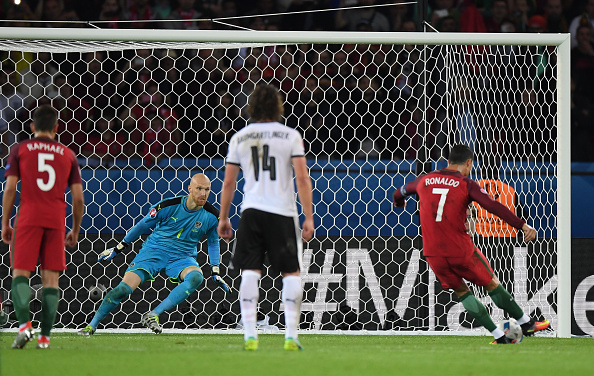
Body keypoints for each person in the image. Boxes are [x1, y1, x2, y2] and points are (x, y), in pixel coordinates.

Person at [392, 144, 550, 344]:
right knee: (491, 283)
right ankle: (526, 323)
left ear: (448, 162)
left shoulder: (424, 180)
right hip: (460, 249)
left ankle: (498, 335)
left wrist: (399, 203)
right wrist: (522, 225)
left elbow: (399, 192)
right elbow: (492, 206)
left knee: (462, 292)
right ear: (468, 163)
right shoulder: (465, 183)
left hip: (433, 253)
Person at [217, 84, 314, 351]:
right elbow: (302, 179)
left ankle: (250, 334)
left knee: (250, 271)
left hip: (252, 211)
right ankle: (291, 336)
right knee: (291, 272)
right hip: (282, 212)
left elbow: (228, 182)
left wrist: (223, 217)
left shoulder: (240, 137)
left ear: (252, 107)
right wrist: (308, 216)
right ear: (277, 107)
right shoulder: (290, 136)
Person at [77, 173, 231, 335]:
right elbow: (142, 226)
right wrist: (118, 248)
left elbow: (213, 241)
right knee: (122, 289)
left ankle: (153, 315)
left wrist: (215, 270)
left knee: (196, 277)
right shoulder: (168, 206)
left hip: (182, 257)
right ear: (190, 189)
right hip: (154, 252)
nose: (203, 193)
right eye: (199, 188)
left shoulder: (212, 215)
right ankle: (91, 325)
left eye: (207, 190)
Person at [2, 105, 84, 349]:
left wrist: (5, 222)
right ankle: (45, 338)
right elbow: (78, 198)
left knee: (20, 274)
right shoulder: (67, 154)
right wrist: (75, 229)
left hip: (28, 217)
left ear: (32, 127)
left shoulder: (20, 149)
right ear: (57, 128)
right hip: (56, 219)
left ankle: (25, 327)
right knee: (50, 280)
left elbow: (10, 189)